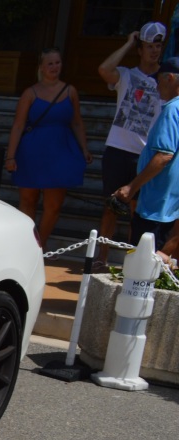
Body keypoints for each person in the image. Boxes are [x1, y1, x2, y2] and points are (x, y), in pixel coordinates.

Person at [5, 49, 92, 250]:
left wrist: (84, 148)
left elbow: (77, 122)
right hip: (32, 150)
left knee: (53, 205)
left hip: (60, 150)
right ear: (42, 67)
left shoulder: (70, 91)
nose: (54, 67)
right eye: (50, 63)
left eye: (58, 63)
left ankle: (40, 246)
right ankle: (26, 244)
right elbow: (18, 125)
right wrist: (10, 156)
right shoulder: (30, 93)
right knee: (28, 200)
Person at [98, 22, 166, 266]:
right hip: (118, 149)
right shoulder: (127, 75)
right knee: (111, 207)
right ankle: (101, 259)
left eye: (158, 46)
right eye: (149, 46)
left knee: (137, 212)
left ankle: (132, 262)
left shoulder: (166, 78)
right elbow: (105, 69)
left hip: (145, 153)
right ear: (141, 48)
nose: (154, 51)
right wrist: (128, 42)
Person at [113, 57, 179, 248]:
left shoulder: (172, 110)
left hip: (157, 204)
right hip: (168, 203)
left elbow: (163, 156)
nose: (157, 88)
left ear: (170, 78)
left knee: (144, 264)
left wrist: (131, 187)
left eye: (158, 82)